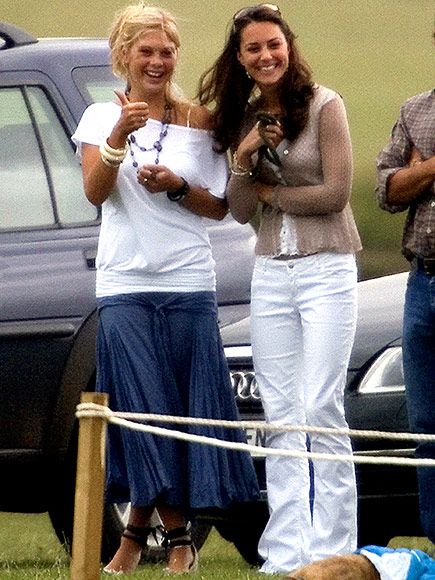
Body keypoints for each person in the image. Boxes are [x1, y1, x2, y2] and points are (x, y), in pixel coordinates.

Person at [72, 3, 260, 575]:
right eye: (145, 51)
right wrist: (117, 138)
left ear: (176, 56)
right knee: (143, 411)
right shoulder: (99, 116)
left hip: (188, 281)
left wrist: (178, 186)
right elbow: (94, 193)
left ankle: (133, 542)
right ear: (123, 55)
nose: (156, 62)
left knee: (182, 415)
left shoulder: (198, 122)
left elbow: (221, 206)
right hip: (126, 283)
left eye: (166, 52)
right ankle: (178, 541)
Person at [197, 4, 362, 574]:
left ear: (288, 46)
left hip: (327, 268)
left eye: (273, 45)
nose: (265, 56)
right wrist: (243, 159)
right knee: (282, 412)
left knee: (321, 405)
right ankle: (286, 553)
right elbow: (239, 211)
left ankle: (334, 550)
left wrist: (271, 194)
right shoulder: (242, 117)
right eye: (253, 49)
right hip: (271, 273)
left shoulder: (325, 105)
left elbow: (335, 195)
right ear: (240, 59)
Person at [376, 89, 435, 544]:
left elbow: (404, 183)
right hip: (422, 280)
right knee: (426, 425)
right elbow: (387, 191)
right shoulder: (415, 109)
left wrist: (418, 169)